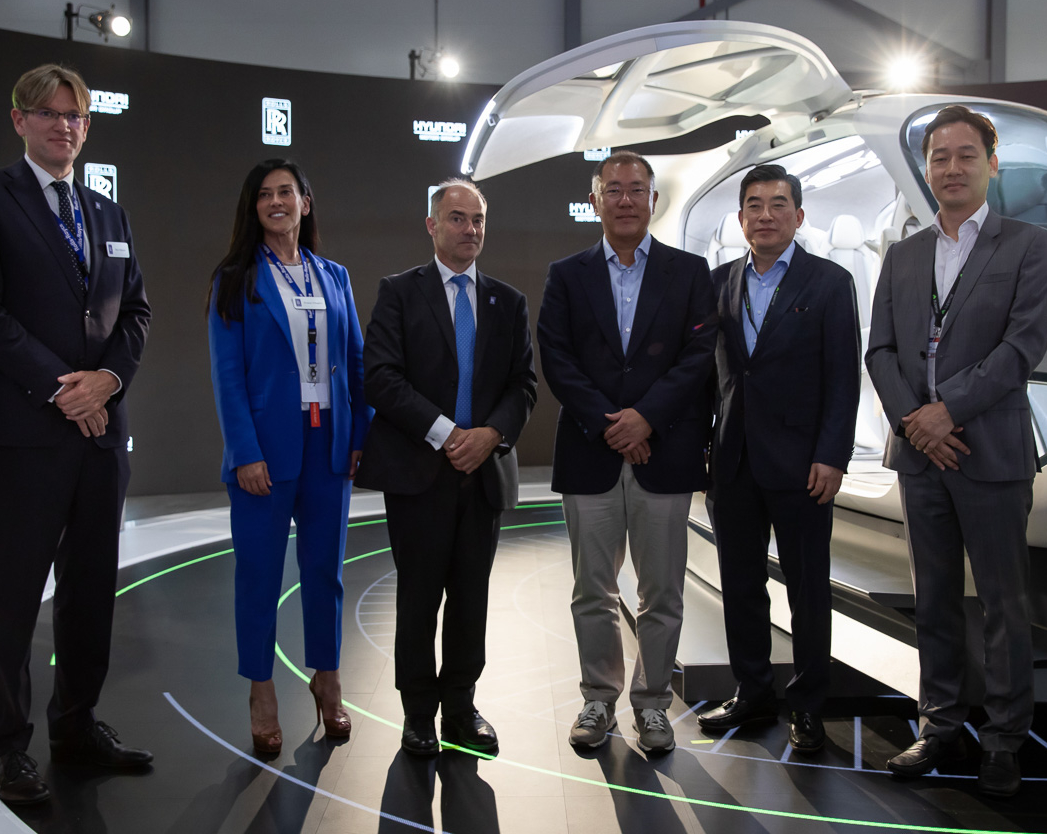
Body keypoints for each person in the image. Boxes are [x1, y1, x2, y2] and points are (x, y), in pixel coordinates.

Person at [0, 63, 152, 805]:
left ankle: (76, 724)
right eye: (50, 113)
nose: (64, 125)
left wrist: (109, 381)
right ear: (20, 120)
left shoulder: (108, 214)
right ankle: (7, 745)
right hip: (27, 431)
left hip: (100, 434)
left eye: (75, 116)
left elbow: (135, 313)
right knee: (15, 593)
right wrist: (65, 388)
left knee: (91, 590)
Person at [865, 105, 1047, 796]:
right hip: (920, 456)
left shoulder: (1028, 245)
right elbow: (880, 350)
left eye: (965, 155)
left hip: (991, 451)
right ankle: (938, 724)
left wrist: (948, 410)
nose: (951, 167)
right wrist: (917, 422)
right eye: (939, 156)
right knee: (935, 599)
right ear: (926, 168)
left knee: (1004, 603)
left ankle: (1004, 738)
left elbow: (1024, 345)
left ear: (991, 164)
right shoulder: (903, 254)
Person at [537, 150, 716, 755]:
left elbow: (697, 357)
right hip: (590, 453)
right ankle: (598, 697)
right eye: (613, 189)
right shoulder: (567, 274)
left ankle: (653, 703)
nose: (625, 199)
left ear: (653, 200)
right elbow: (556, 357)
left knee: (661, 593)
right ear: (595, 201)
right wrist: (611, 424)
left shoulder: (690, 273)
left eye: (636, 189)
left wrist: (646, 419)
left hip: (664, 453)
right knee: (593, 590)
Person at [356, 178, 536, 756]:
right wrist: (446, 433)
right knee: (418, 599)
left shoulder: (507, 302)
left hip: (483, 474)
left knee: (470, 598)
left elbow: (523, 386)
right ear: (432, 226)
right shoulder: (398, 292)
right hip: (418, 473)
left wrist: (490, 435)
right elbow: (380, 377)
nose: (470, 229)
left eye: (478, 219)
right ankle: (418, 715)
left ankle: (461, 708)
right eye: (458, 218)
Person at [208, 159, 371, 756]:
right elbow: (227, 375)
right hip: (264, 452)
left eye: (286, 192)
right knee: (258, 576)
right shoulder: (235, 278)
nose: (276, 202)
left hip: (329, 445)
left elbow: (356, 361)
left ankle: (328, 679)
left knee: (325, 573)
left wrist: (358, 433)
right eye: (264, 194)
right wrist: (244, 451)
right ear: (253, 207)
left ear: (306, 201)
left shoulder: (334, 276)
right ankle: (261, 691)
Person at [697, 165, 860, 753]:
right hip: (733, 460)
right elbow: (707, 375)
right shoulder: (718, 283)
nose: (765, 215)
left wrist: (832, 455)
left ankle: (809, 705)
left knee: (808, 590)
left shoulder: (830, 282)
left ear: (799, 215)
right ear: (740, 217)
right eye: (754, 205)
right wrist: (704, 450)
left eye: (778, 204)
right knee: (740, 584)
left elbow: (843, 376)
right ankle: (752, 692)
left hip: (804, 465)